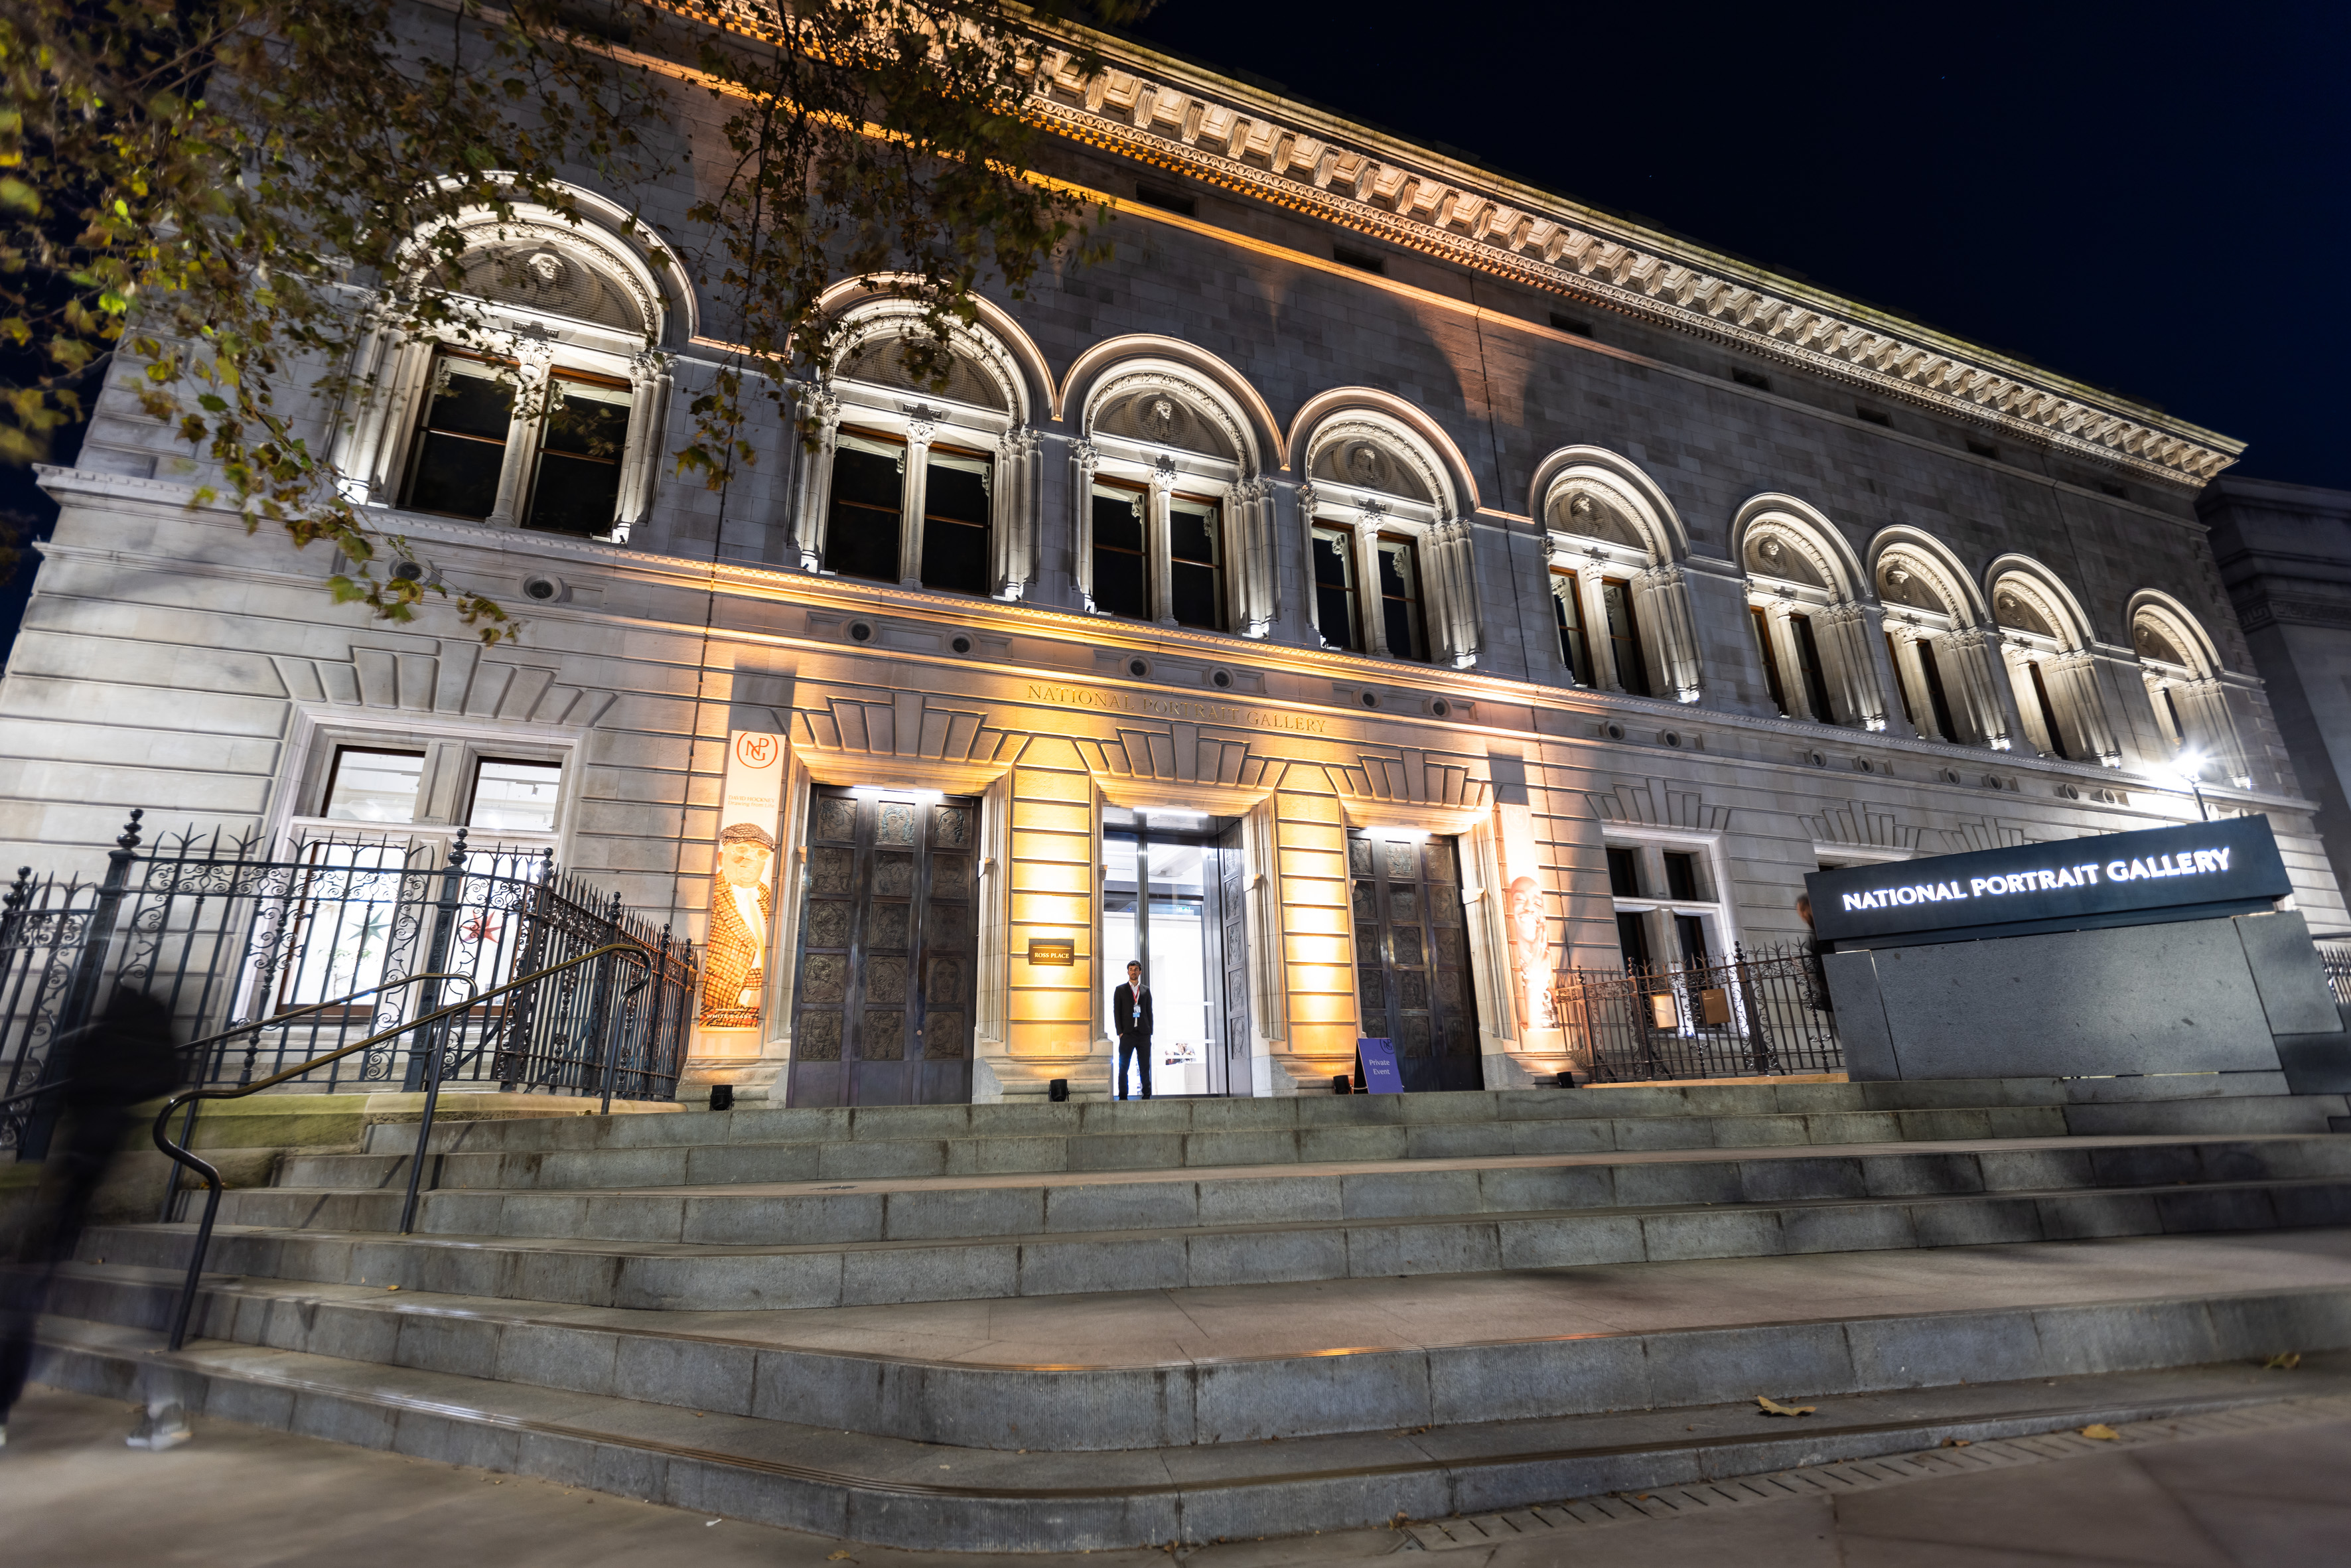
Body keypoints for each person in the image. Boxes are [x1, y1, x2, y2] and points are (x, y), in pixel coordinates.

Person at [1, 988, 184, 1451]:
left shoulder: (94, 1044)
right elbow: (166, 1078)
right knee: (86, 1298)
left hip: (77, 1179)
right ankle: (164, 1409)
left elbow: (66, 1099)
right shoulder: (147, 1054)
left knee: (33, 1295)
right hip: (113, 1175)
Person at [699, 821, 776, 1027]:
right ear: (721, 858)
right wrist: (744, 997)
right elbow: (702, 961)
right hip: (723, 1010)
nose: (750, 858)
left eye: (761, 853)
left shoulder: (770, 899)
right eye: (741, 849)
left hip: (765, 1004)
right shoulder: (710, 896)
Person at [1111, 960, 1153, 1100]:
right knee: (1123, 1067)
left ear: (1140, 972)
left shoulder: (1146, 991)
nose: (1133, 971)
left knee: (1145, 1067)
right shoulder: (1120, 990)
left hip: (1143, 1035)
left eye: (1136, 969)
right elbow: (1116, 1012)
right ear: (1128, 972)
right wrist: (1120, 1032)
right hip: (1127, 1034)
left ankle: (1146, 1095)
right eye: (1131, 969)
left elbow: (1149, 1012)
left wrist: (1150, 1031)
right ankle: (1123, 1096)